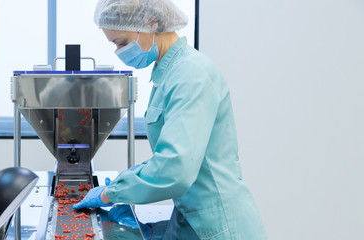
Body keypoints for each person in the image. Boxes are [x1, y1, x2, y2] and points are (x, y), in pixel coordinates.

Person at [73, 0, 268, 239]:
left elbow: (175, 167)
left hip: (220, 225)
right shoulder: (168, 74)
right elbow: (173, 153)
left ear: (151, 22)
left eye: (122, 43)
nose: (119, 52)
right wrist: (127, 181)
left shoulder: (190, 74)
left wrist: (111, 193)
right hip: (192, 218)